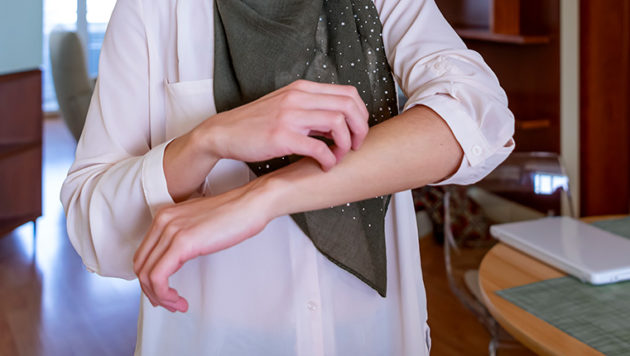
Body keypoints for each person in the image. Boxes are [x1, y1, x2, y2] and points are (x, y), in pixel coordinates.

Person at [60, 0, 515, 354]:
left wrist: (264, 195)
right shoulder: (152, 10)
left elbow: (480, 116)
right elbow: (90, 227)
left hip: (373, 335)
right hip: (218, 342)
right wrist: (205, 141)